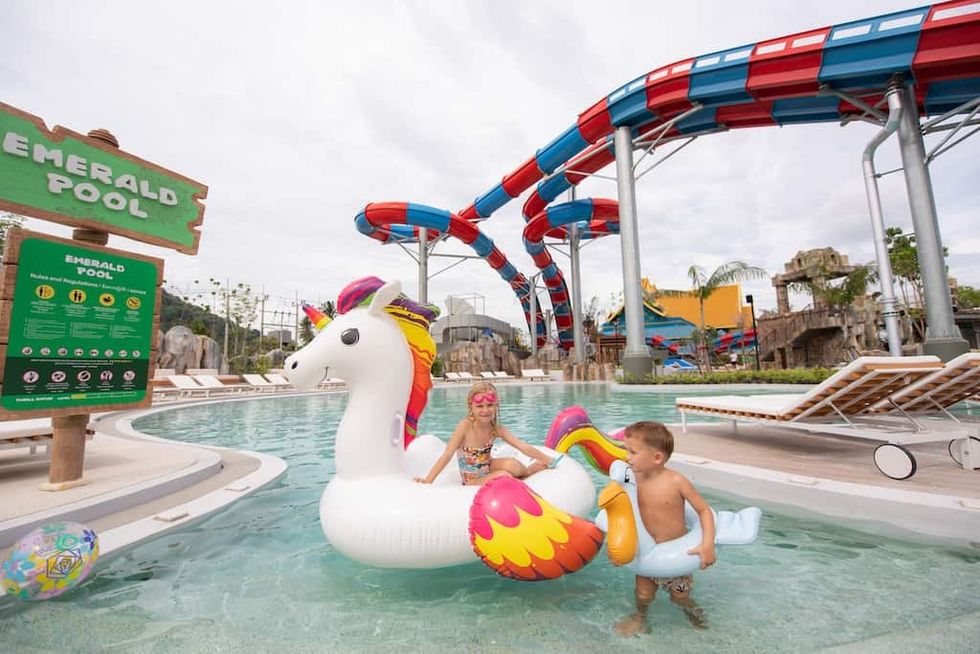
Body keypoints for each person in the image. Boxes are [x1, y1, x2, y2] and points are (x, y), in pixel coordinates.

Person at [614, 421, 716, 636]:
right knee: (643, 594)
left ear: (657, 458)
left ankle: (692, 611)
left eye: (632, 452)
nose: (627, 457)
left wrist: (707, 545)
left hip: (675, 558)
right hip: (647, 556)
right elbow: (620, 514)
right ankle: (640, 618)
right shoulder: (632, 481)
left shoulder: (676, 481)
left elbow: (704, 511)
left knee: (679, 597)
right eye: (626, 451)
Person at [414, 381, 560, 485]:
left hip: (487, 466)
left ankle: (527, 472)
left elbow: (522, 446)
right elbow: (447, 455)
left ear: (497, 405)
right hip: (472, 480)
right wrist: (428, 480)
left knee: (514, 465)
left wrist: (548, 460)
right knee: (504, 476)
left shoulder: (495, 428)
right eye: (480, 406)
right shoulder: (465, 427)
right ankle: (519, 480)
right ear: (471, 407)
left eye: (490, 405)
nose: (485, 410)